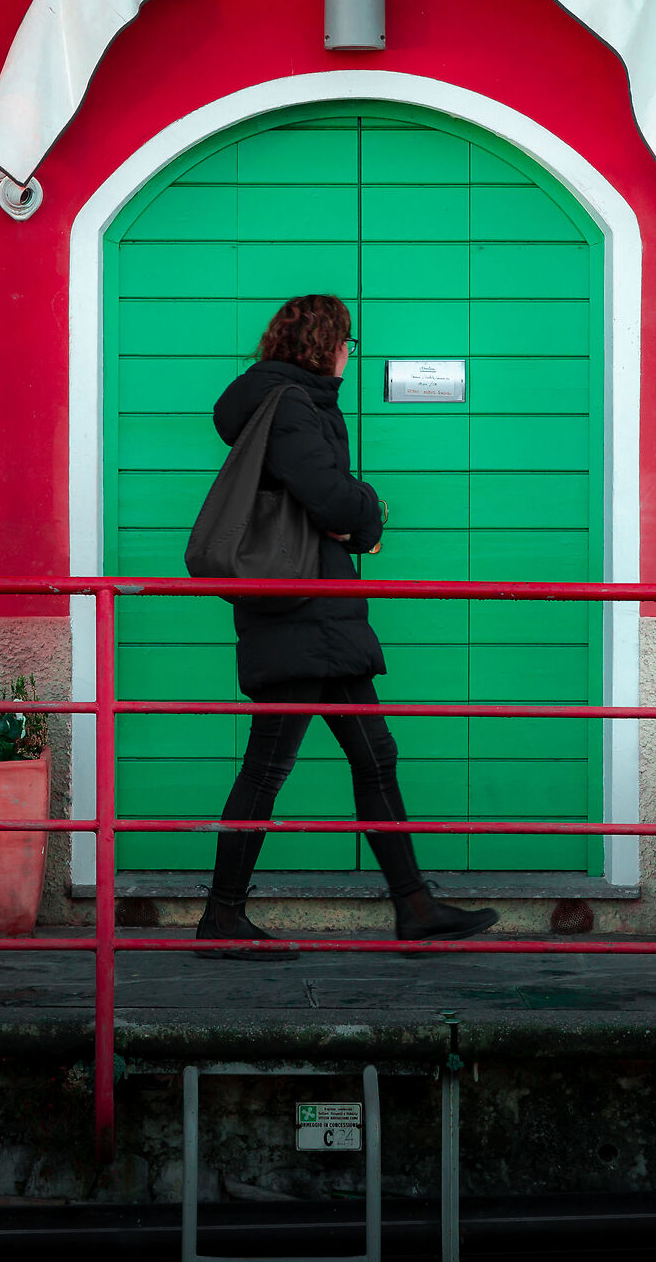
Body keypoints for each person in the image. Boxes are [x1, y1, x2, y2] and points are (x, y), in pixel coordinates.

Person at [195, 293, 499, 955]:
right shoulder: (295, 408)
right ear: (329, 346)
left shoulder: (277, 402)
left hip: (315, 619)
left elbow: (327, 503)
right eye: (347, 345)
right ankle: (221, 918)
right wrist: (370, 509)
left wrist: (349, 515)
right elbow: (330, 496)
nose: (347, 358)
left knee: (370, 754)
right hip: (304, 617)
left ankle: (414, 906)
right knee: (271, 764)